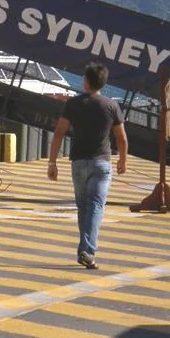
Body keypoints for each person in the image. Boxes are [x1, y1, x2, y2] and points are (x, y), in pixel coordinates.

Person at [47, 61, 128, 270]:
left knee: (84, 207)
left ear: (85, 81)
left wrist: (52, 162)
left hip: (79, 163)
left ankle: (85, 249)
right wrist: (123, 160)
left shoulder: (73, 104)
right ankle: (87, 251)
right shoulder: (111, 105)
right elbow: (122, 139)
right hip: (101, 163)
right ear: (103, 82)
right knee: (95, 206)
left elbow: (59, 133)